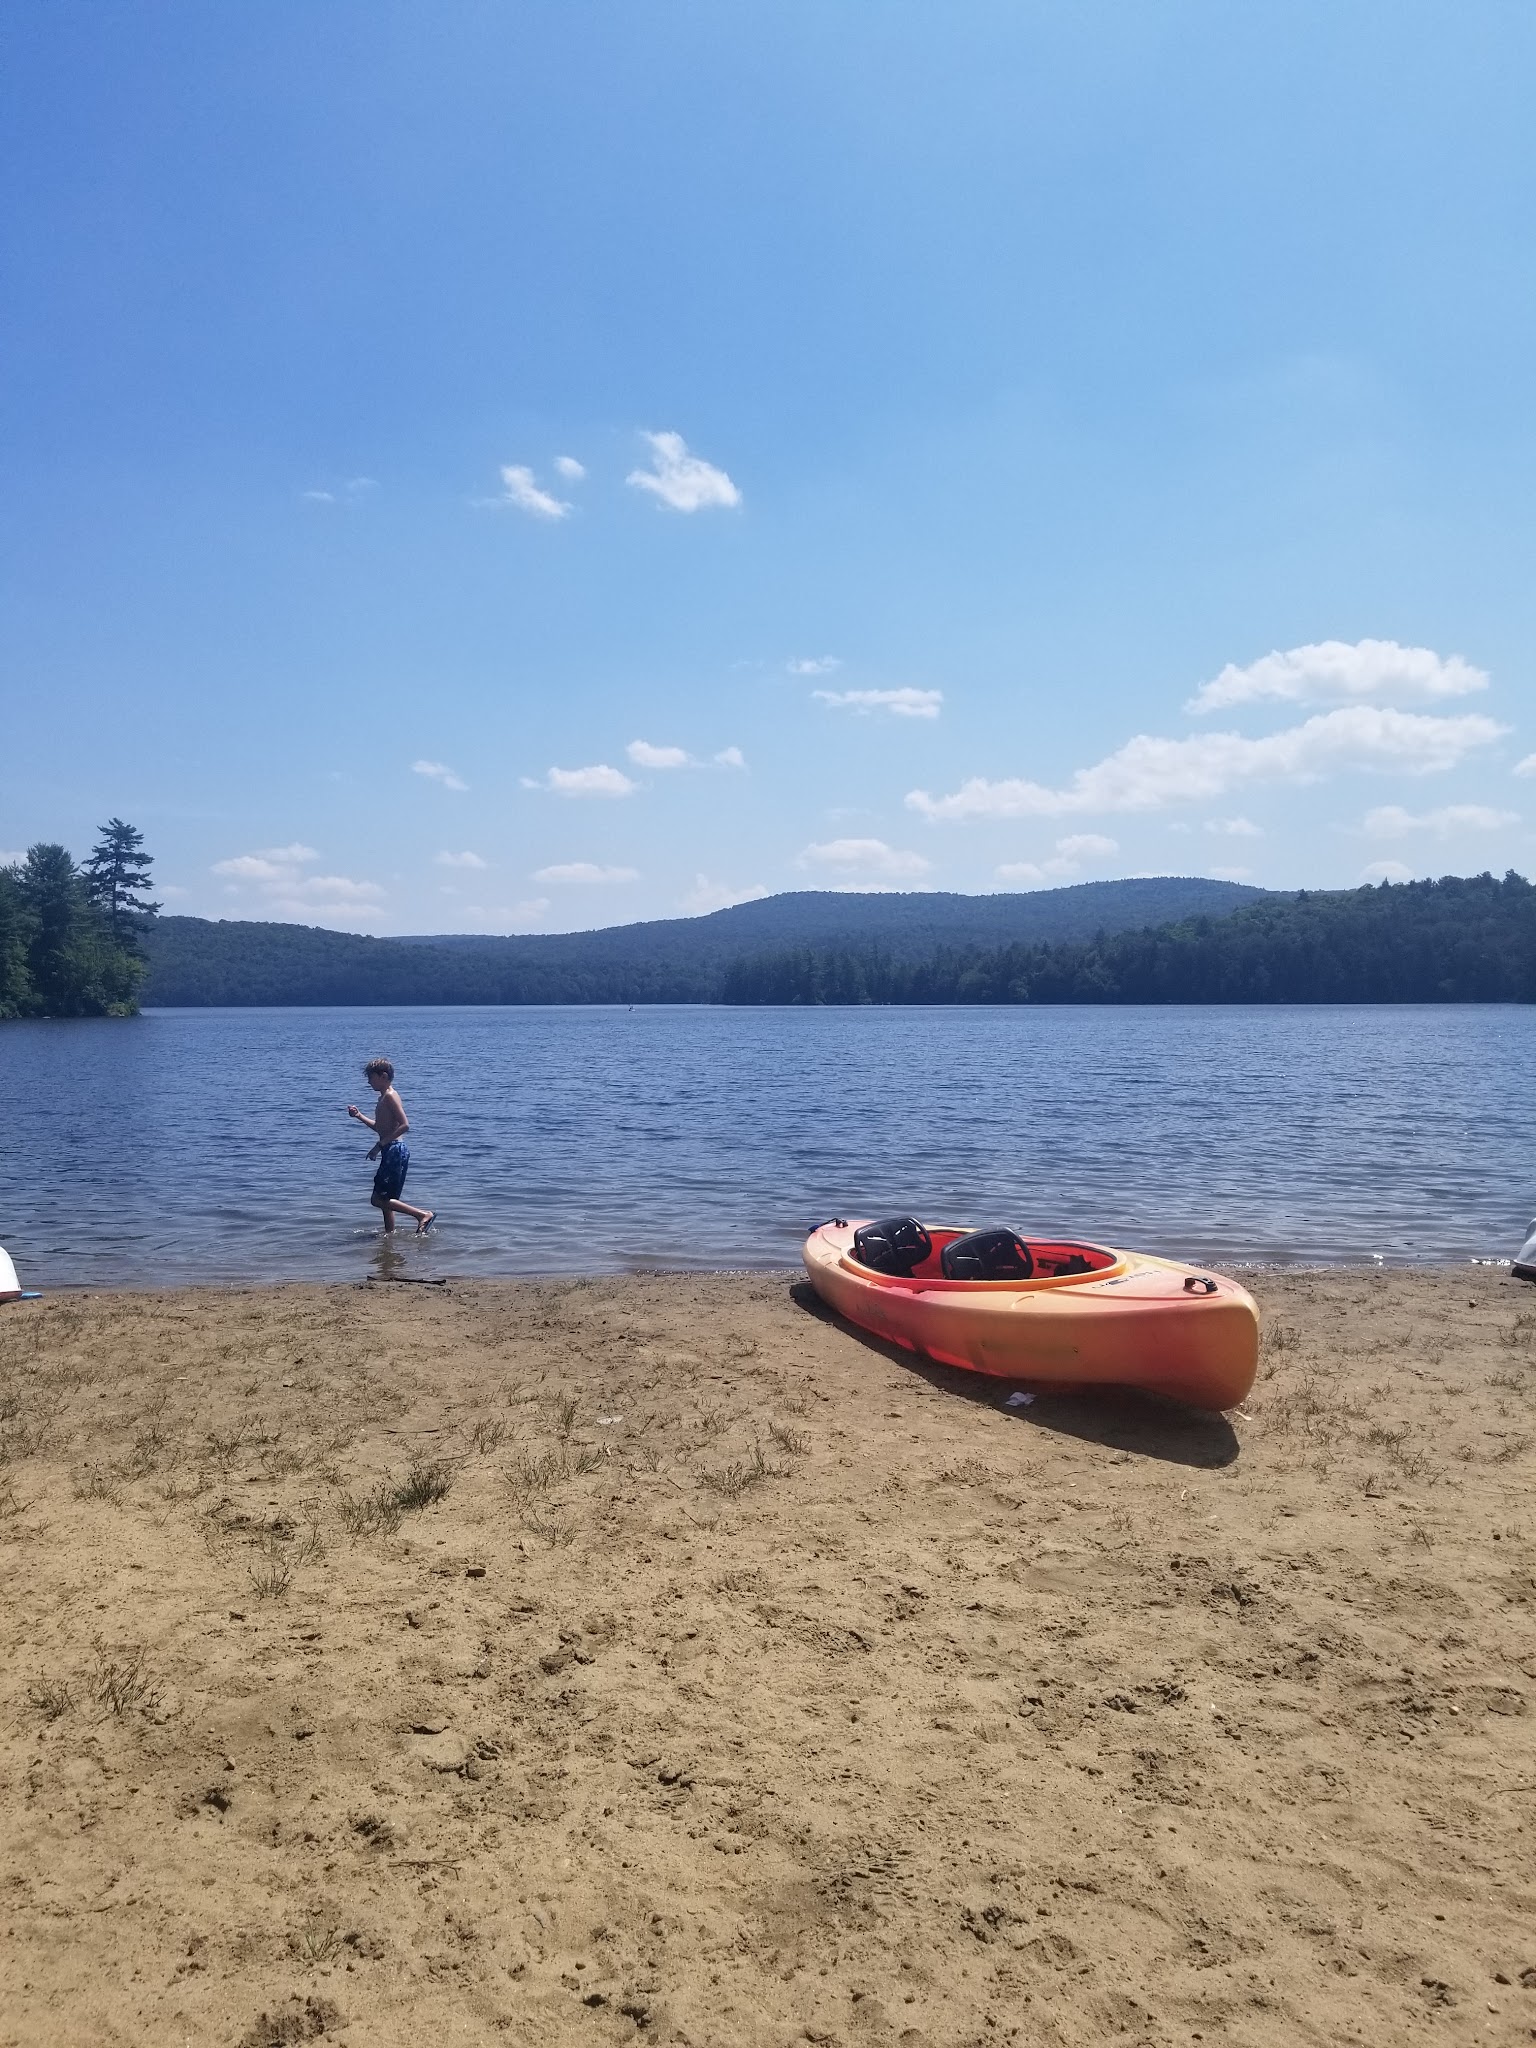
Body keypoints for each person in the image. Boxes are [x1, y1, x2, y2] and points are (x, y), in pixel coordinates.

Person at [347, 1057, 435, 1235]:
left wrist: (379, 1145)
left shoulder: (390, 1096)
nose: (369, 1082)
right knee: (388, 1200)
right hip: (392, 1149)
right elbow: (380, 1128)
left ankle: (422, 1215)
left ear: (383, 1076)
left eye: (371, 1078)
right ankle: (389, 1236)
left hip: (394, 1149)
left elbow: (405, 1125)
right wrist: (359, 1116)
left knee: (377, 1199)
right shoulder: (382, 1098)